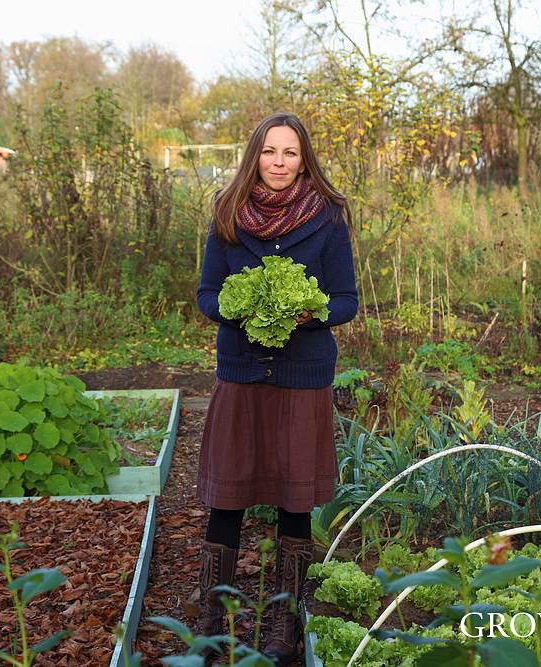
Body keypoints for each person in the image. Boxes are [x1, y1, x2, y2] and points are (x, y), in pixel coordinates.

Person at [194, 111, 358, 663]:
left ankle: (285, 620)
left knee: (294, 498)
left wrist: (306, 311)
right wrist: (239, 309)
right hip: (241, 371)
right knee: (227, 494)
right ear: (254, 156)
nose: (280, 163)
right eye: (269, 152)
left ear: (304, 157)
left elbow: (346, 301)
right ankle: (212, 616)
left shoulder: (329, 218)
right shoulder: (227, 213)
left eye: (290, 153)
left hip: (300, 375)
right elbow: (207, 295)